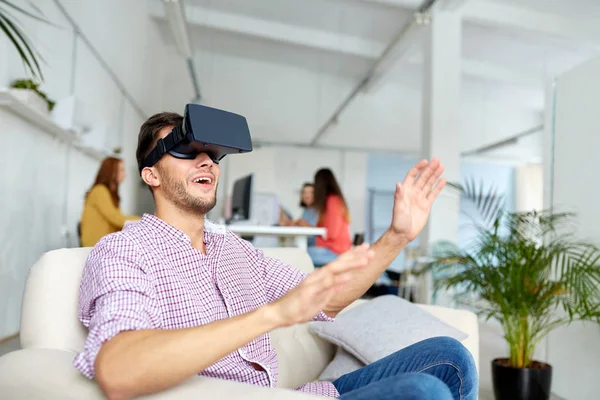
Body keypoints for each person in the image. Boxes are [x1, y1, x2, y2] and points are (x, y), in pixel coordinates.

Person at [73, 111, 477, 400]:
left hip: (300, 394)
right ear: (151, 175)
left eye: (213, 155)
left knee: (450, 357)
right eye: (184, 150)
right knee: (423, 391)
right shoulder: (126, 249)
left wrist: (397, 236)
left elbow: (330, 299)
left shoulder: (234, 250)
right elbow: (117, 371)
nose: (206, 161)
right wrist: (273, 314)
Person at [79, 157, 139, 247]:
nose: (125, 174)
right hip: (94, 245)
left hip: (104, 243)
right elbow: (116, 218)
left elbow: (118, 220)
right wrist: (142, 221)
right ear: (112, 172)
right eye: (122, 170)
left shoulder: (110, 193)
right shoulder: (99, 191)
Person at [307, 168, 352, 267]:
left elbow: (332, 233)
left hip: (336, 252)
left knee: (299, 255)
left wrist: (309, 227)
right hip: (335, 250)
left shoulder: (333, 201)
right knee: (299, 252)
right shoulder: (334, 200)